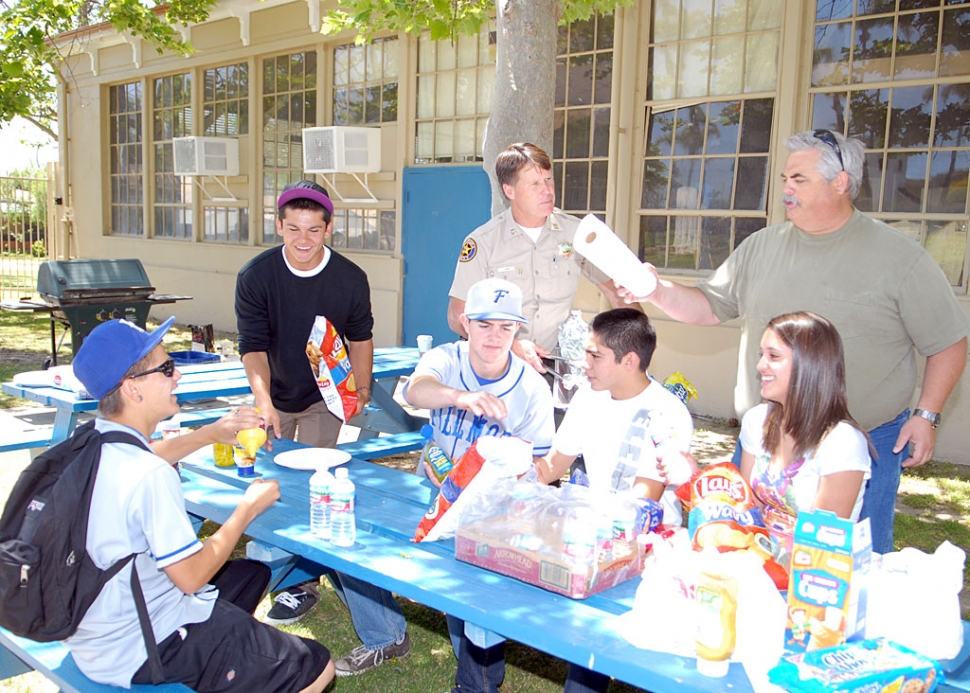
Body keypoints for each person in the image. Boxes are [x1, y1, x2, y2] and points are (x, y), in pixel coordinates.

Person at [619, 129, 969, 554]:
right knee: (740, 548)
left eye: (799, 179)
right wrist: (655, 291)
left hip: (864, 443)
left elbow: (948, 340)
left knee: (850, 567)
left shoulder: (900, 258)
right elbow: (708, 307)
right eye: (785, 178)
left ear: (840, 182)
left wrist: (926, 415)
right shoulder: (761, 247)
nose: (786, 188)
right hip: (764, 439)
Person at [68, 317, 334, 692]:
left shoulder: (88, 443)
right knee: (317, 665)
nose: (177, 376)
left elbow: (152, 453)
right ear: (132, 389)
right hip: (142, 645)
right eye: (166, 368)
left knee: (251, 574)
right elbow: (192, 576)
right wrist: (247, 510)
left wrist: (209, 434)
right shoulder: (148, 477)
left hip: (94, 632)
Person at [330, 278, 555, 682]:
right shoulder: (447, 357)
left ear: (518, 329)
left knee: (465, 607)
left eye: (506, 326)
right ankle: (384, 635)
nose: (495, 336)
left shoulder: (532, 388)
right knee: (353, 533)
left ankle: (475, 661)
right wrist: (460, 397)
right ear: (466, 323)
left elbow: (540, 466)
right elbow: (417, 391)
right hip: (433, 482)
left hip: (490, 505)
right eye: (485, 324)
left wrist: (507, 486)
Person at [235, 179, 374, 624]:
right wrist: (264, 400)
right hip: (273, 392)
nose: (303, 239)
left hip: (324, 398)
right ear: (278, 226)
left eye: (313, 229)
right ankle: (271, 573)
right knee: (270, 484)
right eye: (293, 228)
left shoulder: (350, 278)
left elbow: (361, 337)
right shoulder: (256, 276)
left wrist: (363, 389)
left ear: (329, 229)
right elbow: (252, 347)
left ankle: (301, 585)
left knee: (312, 482)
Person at [533, 308, 693, 693]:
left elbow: (643, 502)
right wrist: (510, 472)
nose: (584, 364)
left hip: (647, 548)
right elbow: (554, 465)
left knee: (617, 646)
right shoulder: (590, 397)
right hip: (597, 534)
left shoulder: (668, 413)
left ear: (629, 360)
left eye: (594, 356)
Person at [448, 142, 636, 376]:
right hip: (495, 364)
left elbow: (617, 292)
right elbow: (457, 316)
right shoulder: (483, 242)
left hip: (551, 366)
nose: (547, 190)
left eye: (548, 180)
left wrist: (639, 340)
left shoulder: (576, 234)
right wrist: (509, 345)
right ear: (510, 191)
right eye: (535, 184)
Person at [739, 312, 871, 563]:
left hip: (814, 582)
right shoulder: (756, 421)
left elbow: (821, 546)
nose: (760, 365)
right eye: (761, 355)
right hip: (756, 564)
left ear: (808, 364)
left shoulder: (843, 442)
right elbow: (748, 511)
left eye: (773, 356)